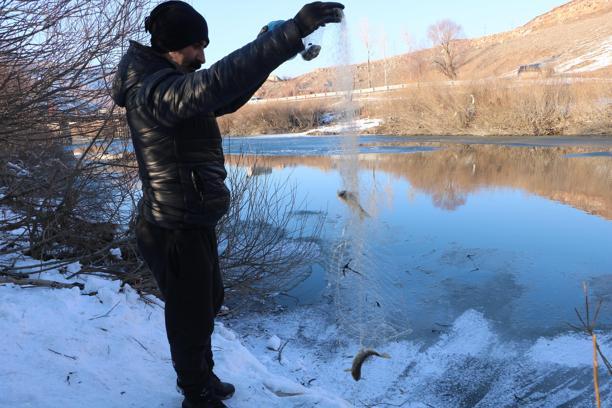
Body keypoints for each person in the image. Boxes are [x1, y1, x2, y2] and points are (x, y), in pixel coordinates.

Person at [111, 2, 344, 407]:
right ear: (171, 45)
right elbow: (214, 83)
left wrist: (269, 50)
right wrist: (289, 33)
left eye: (205, 47)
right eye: (196, 47)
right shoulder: (154, 92)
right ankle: (196, 394)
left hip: (189, 216)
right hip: (173, 225)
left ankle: (203, 376)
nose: (202, 56)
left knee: (207, 303)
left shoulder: (171, 83)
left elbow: (224, 97)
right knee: (190, 316)